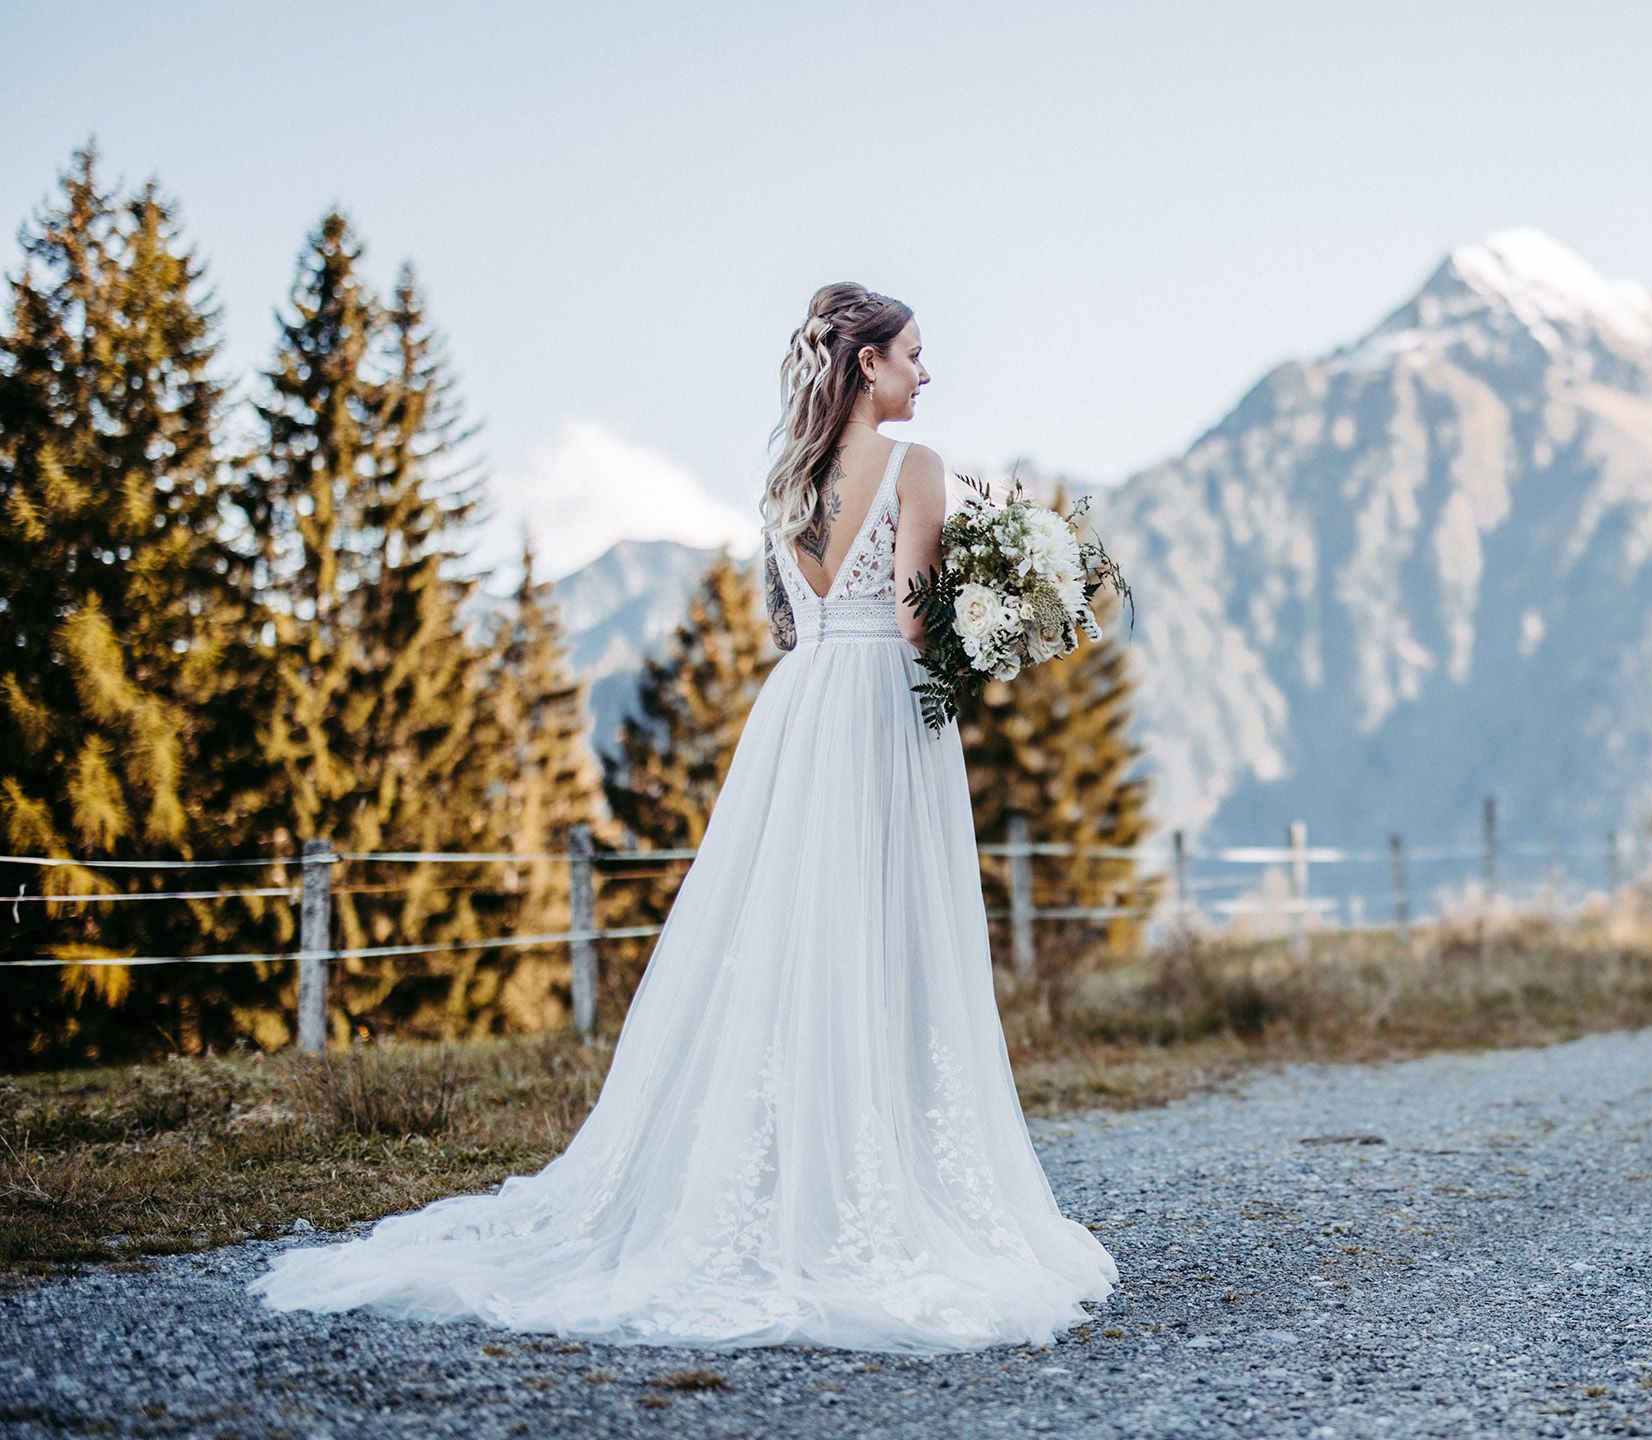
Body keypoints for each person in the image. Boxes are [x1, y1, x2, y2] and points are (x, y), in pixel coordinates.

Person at [248, 282, 1118, 1352]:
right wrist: (1000, 637)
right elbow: (914, 617)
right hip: (887, 717)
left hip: (801, 719)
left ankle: (790, 1161)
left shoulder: (784, 482)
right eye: (912, 355)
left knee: (791, 931)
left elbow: (788, 630)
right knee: (883, 932)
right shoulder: (918, 466)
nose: (925, 374)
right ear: (865, 366)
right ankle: (871, 1170)